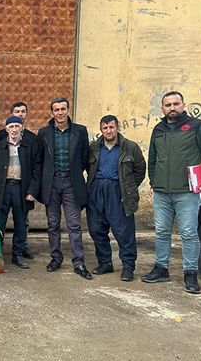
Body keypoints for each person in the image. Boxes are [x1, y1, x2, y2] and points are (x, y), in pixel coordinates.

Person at [142, 91, 201, 294]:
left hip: (186, 192)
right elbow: (152, 158)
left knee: (188, 233)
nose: (172, 107)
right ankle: (161, 268)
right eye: (168, 105)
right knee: (161, 232)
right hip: (161, 193)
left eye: (176, 103)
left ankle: (190, 274)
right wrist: (154, 181)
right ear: (163, 108)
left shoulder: (197, 126)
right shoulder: (158, 129)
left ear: (183, 105)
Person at [37, 97, 92, 280]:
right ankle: (55, 257)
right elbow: (41, 159)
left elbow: (84, 157)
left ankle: (79, 261)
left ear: (68, 110)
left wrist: (75, 175)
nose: (60, 113)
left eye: (63, 109)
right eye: (56, 110)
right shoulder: (44, 133)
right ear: (51, 113)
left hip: (71, 183)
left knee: (74, 224)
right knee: (53, 224)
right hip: (52, 184)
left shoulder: (80, 131)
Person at [86, 115, 146, 282]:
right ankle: (105, 262)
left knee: (123, 231)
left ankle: (128, 266)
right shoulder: (94, 147)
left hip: (118, 192)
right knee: (96, 229)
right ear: (101, 130)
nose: (109, 131)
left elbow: (140, 169)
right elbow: (87, 167)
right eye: (105, 128)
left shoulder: (130, 147)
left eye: (111, 127)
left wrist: (128, 188)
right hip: (97, 190)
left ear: (117, 128)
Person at [0, 116, 40, 269]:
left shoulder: (30, 146)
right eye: (11, 127)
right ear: (6, 129)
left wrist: (32, 191)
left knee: (20, 223)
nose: (14, 130)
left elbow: (37, 170)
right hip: (2, 190)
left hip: (21, 189)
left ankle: (17, 254)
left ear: (22, 128)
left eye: (17, 126)